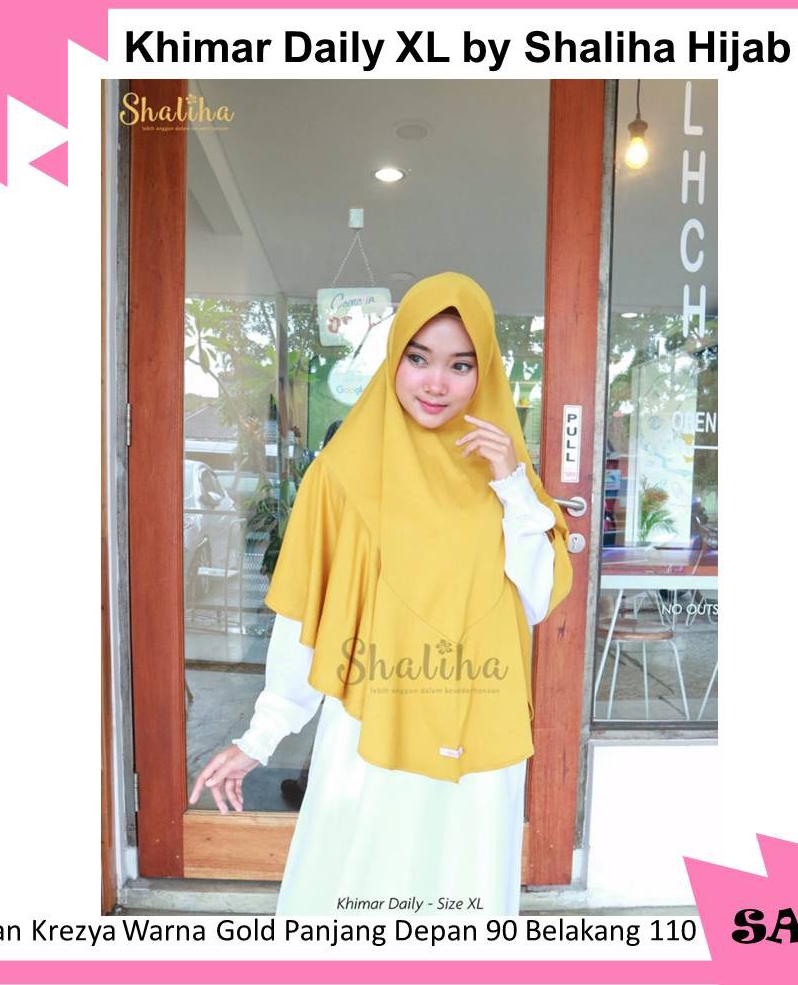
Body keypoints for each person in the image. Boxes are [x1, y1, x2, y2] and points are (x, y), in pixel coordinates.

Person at [189, 272, 573, 916]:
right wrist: (262, 734)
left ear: (485, 373)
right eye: (418, 358)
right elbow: (308, 614)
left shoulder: (509, 479)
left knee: (462, 894)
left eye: (460, 365)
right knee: (362, 893)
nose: (435, 382)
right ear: (393, 359)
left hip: (477, 728)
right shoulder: (342, 474)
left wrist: (511, 485)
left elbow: (534, 600)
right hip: (372, 728)